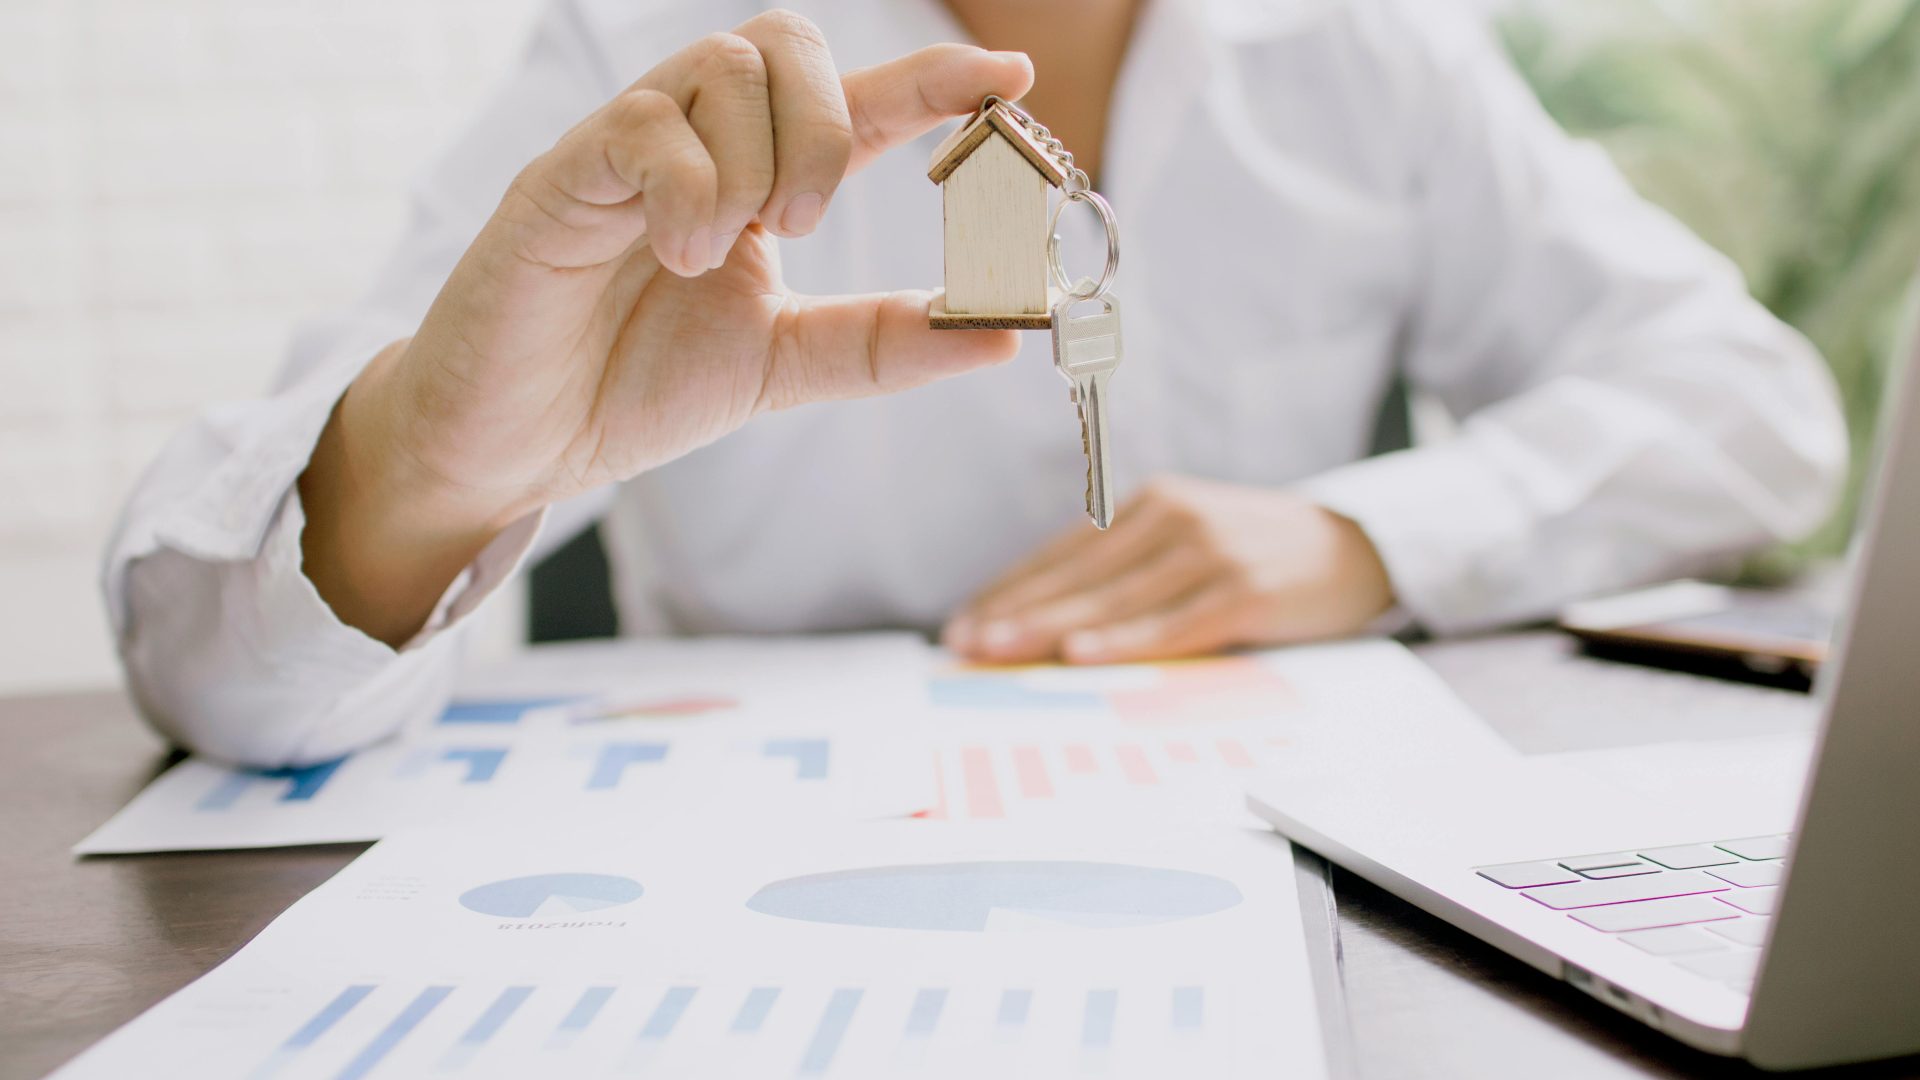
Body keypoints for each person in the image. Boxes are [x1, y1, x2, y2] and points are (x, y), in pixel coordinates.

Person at [104, 0, 1846, 768]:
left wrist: (1367, 537)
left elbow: (1755, 408)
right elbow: (211, 667)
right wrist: (433, 467)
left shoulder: (1369, 42)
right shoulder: (645, 43)